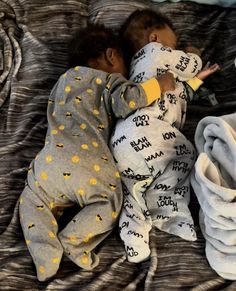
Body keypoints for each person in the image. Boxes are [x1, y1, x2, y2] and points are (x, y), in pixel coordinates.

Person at [18, 23, 175, 281]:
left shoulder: (62, 80)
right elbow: (128, 100)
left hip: (49, 162)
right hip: (91, 164)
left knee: (32, 200)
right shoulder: (108, 80)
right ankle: (74, 241)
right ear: (111, 56)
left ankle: (44, 254)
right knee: (110, 200)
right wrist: (159, 84)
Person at [109, 8, 220, 263]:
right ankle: (168, 211)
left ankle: (134, 239)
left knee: (131, 189)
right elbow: (190, 65)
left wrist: (197, 81)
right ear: (155, 38)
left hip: (123, 139)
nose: (177, 47)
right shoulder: (156, 53)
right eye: (175, 43)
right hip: (148, 129)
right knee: (187, 154)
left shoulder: (139, 70)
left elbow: (175, 95)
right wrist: (194, 54)